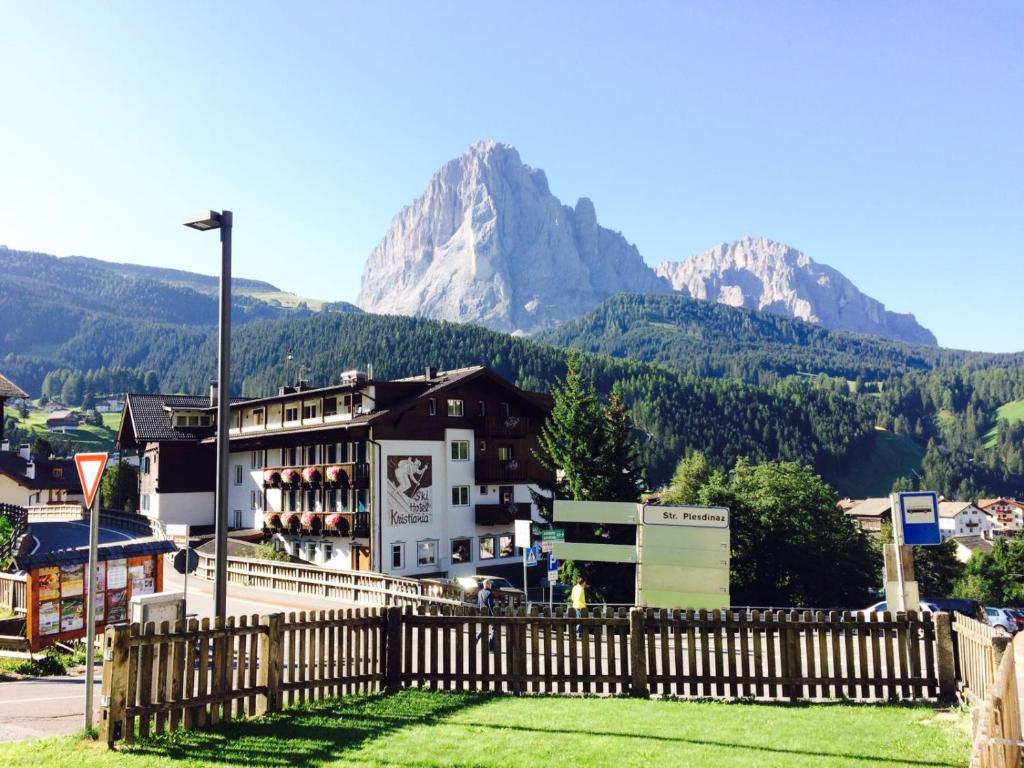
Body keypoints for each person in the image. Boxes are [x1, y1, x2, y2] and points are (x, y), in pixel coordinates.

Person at [475, 579, 496, 650]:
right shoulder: (489, 593)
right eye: (490, 584)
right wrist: (493, 614)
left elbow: (478, 604)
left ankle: (475, 639)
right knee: (494, 628)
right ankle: (491, 646)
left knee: (484, 628)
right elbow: (490, 604)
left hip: (482, 613)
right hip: (489, 613)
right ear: (487, 584)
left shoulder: (479, 592)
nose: (491, 585)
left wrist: (479, 612)